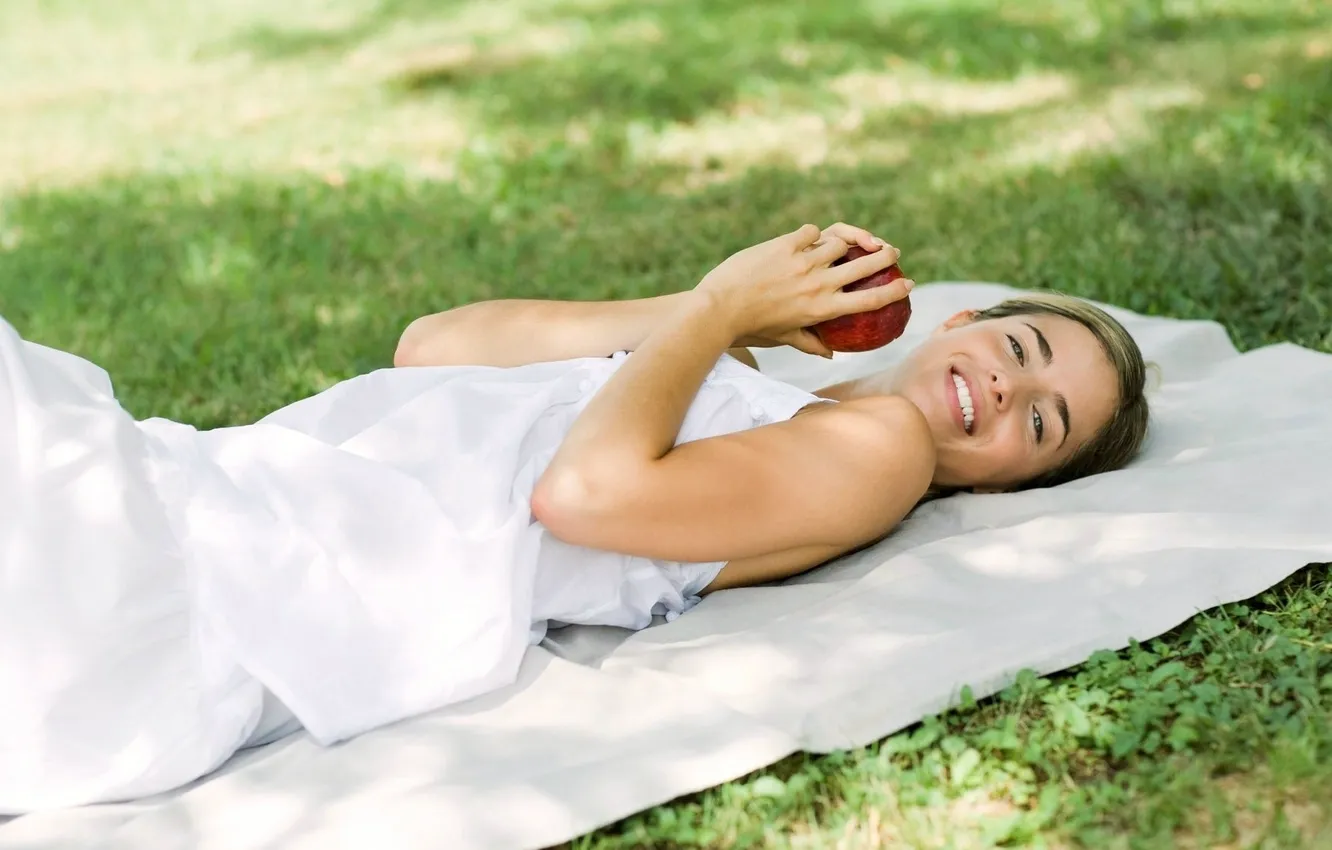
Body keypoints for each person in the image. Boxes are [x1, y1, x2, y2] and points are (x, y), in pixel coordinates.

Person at [0, 222, 1148, 814]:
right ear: (964, 322)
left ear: (1003, 483)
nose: (1008, 389)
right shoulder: (761, 386)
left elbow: (584, 498)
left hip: (232, 575)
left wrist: (710, 315)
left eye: (1040, 425)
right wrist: (715, 313)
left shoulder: (882, 455)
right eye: (1020, 349)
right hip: (208, 497)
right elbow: (434, 349)